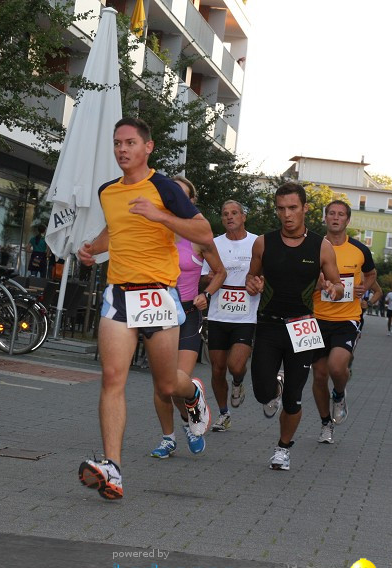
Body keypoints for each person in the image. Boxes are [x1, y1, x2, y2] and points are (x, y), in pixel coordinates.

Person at [76, 117, 214, 499]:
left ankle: (193, 395)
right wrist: (91, 249)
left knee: (167, 384)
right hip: (120, 293)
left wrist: (161, 216)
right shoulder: (108, 191)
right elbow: (114, 231)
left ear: (147, 147)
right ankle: (113, 469)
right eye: (117, 143)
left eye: (130, 143)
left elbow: (203, 232)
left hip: (159, 296)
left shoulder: (165, 188)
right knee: (112, 377)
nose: (122, 149)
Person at [245, 182, 344, 471]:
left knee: (294, 396)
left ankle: (283, 448)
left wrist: (332, 289)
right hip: (269, 325)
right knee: (263, 392)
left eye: (292, 208)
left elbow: (337, 284)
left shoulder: (321, 246)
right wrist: (252, 284)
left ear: (305, 209)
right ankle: (273, 387)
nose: (286, 214)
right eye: (280, 209)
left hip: (304, 328)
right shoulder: (263, 242)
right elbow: (252, 278)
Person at [150, 175, 225, 459]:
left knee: (176, 380)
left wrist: (207, 294)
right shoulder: (154, 230)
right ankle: (170, 435)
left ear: (191, 202)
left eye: (181, 196)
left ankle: (192, 399)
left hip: (188, 314)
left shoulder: (199, 238)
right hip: (158, 312)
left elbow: (220, 272)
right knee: (161, 384)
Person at [310, 200, 376, 445]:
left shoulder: (359, 250)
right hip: (317, 318)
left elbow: (371, 273)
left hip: (347, 318)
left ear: (347, 220)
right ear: (325, 218)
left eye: (341, 215)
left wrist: (364, 289)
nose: (336, 218)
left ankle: (338, 395)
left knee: (337, 368)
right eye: (331, 214)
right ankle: (326, 423)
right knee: (318, 375)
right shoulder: (313, 247)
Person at [201, 200, 259, 433]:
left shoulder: (257, 242)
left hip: (246, 316)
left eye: (234, 213)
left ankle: (237, 382)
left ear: (244, 216)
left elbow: (266, 273)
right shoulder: (213, 244)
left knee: (236, 366)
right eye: (225, 214)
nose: (229, 217)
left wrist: (260, 282)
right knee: (217, 369)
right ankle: (224, 414)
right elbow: (204, 276)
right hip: (218, 315)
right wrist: (213, 278)